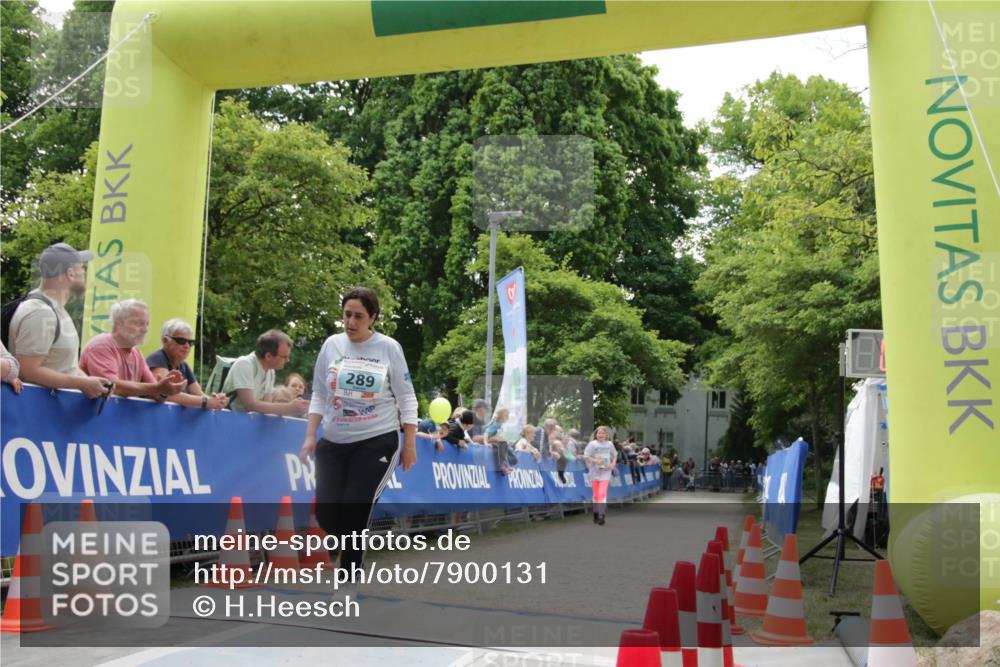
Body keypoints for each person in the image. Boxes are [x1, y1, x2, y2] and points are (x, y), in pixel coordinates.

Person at [298, 286, 418, 578]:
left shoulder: (388, 348)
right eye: (347, 315)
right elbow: (319, 394)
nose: (351, 322)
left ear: (373, 318)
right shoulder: (332, 345)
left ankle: (348, 578)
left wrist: (410, 444)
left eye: (359, 316)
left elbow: (407, 399)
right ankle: (352, 545)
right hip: (335, 441)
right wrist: (311, 435)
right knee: (327, 516)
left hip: (377, 440)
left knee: (355, 511)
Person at [9, 242, 108, 399]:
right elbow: (27, 371)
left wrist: (88, 381)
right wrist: (80, 384)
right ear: (70, 273)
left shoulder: (55, 309)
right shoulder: (40, 312)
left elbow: (65, 366)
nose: (84, 273)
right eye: (81, 268)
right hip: (39, 415)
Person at [80, 300, 187, 400]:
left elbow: (156, 394)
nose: (145, 330)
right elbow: (113, 387)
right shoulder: (101, 346)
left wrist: (165, 389)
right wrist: (158, 388)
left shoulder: (137, 353)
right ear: (118, 323)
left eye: (147, 324)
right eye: (139, 323)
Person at [146, 318, 227, 410]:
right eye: (181, 341)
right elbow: (167, 394)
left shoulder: (183, 365)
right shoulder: (157, 359)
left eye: (190, 342)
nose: (187, 346)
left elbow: (198, 394)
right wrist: (206, 401)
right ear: (165, 341)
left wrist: (217, 401)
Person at [223, 329, 308, 416]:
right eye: (284, 357)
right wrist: (289, 408)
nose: (287, 360)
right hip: (228, 421)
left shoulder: (270, 371)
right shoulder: (244, 364)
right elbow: (250, 405)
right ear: (268, 356)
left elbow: (267, 407)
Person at [583, 426, 617, 525]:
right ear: (596, 435)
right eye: (599, 433)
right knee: (596, 495)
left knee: (602, 493)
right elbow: (586, 456)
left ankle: (602, 515)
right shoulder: (592, 444)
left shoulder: (610, 444)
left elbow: (615, 455)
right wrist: (595, 461)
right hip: (594, 472)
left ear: (606, 435)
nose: (601, 435)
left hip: (605, 472)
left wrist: (613, 464)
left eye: (603, 433)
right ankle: (595, 513)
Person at [485, 407, 515, 474]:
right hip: (491, 441)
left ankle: (506, 464)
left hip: (496, 442)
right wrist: (485, 442)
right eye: (506, 416)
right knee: (503, 445)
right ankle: (502, 466)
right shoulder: (495, 424)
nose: (508, 418)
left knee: (506, 446)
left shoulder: (500, 425)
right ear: (501, 417)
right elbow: (486, 433)